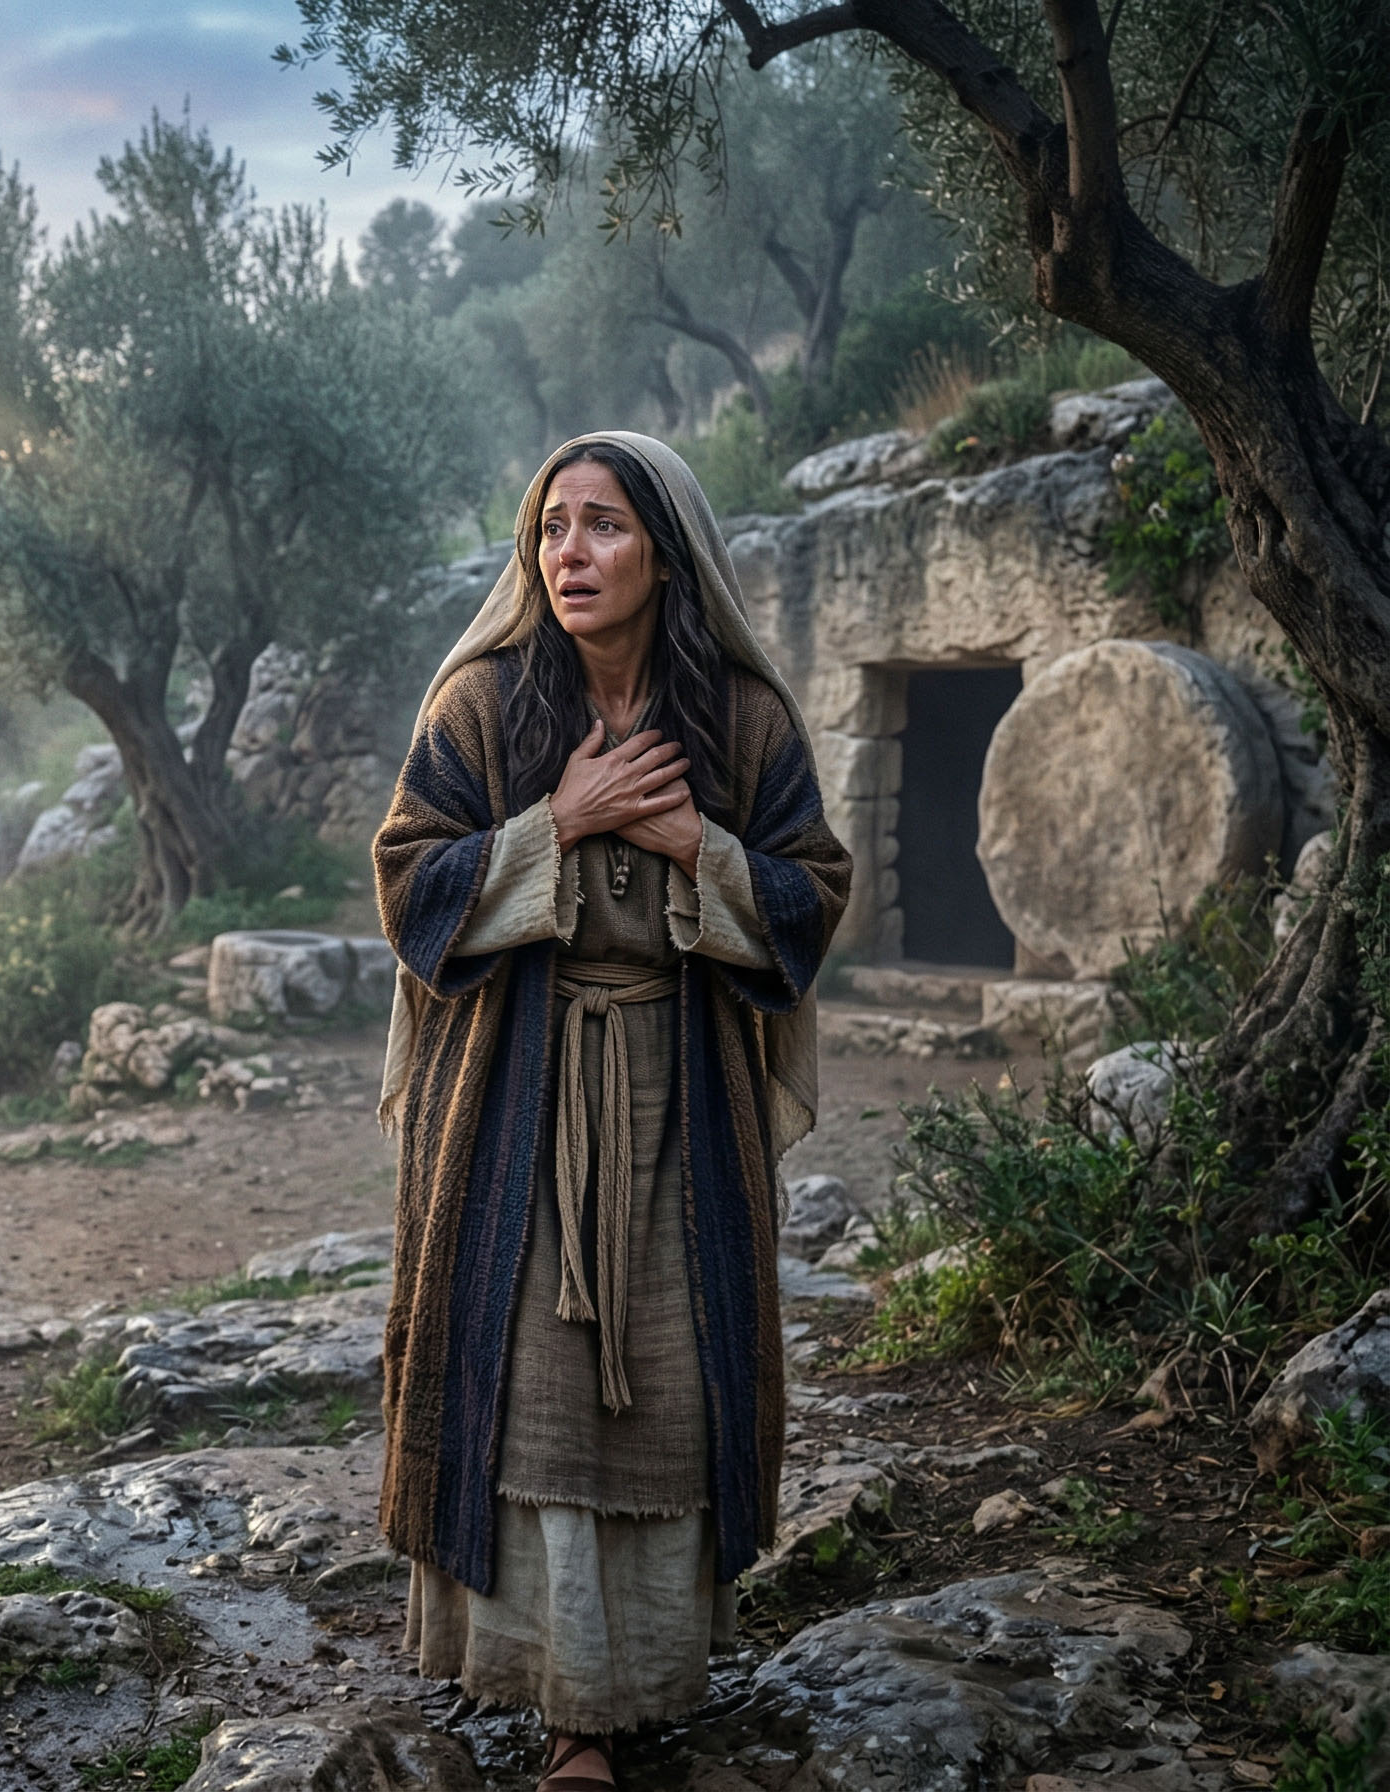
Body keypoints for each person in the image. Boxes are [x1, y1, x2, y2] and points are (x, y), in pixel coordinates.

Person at [372, 432, 850, 1790]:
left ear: (667, 549)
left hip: (679, 1093)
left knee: (668, 1382)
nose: (567, 555)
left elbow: (816, 890)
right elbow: (410, 885)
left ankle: (645, 1675)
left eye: (602, 527)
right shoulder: (482, 705)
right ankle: (569, 1711)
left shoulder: (743, 724)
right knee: (530, 1383)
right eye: (549, 530)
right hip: (514, 1094)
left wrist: (699, 846)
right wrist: (560, 823)